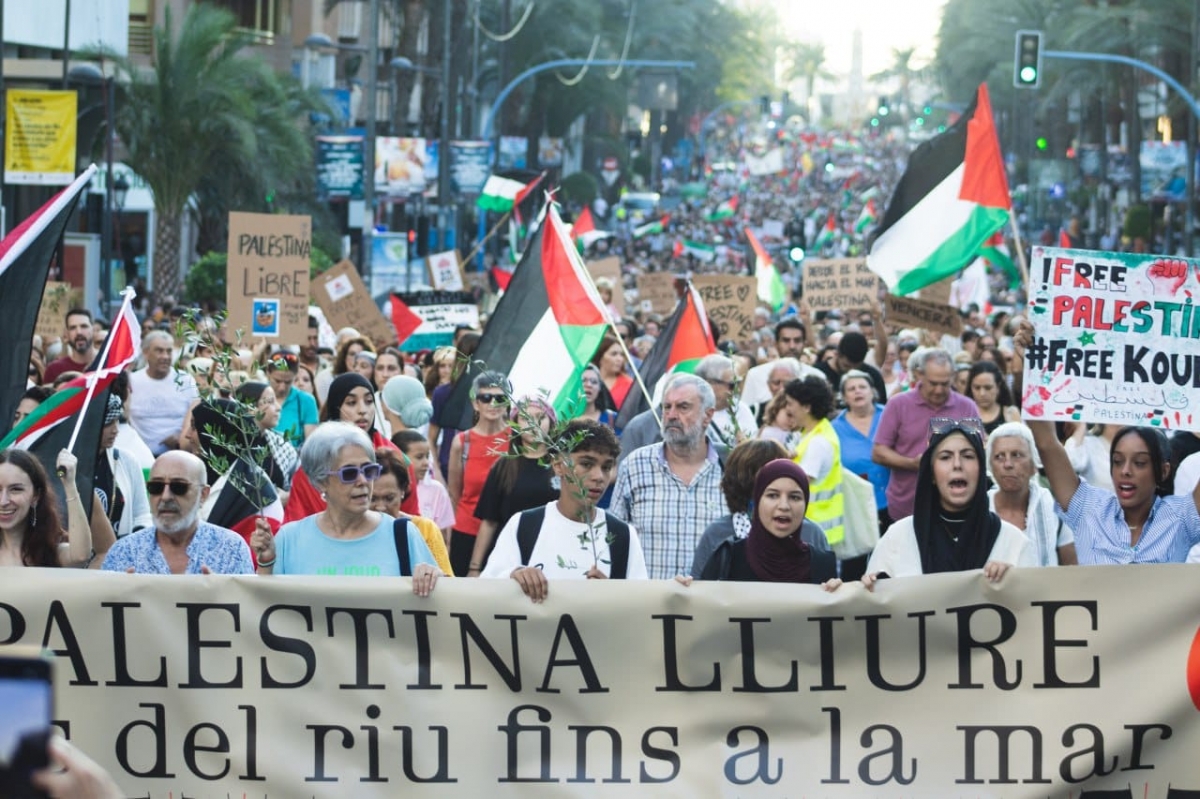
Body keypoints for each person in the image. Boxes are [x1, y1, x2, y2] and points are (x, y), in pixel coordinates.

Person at [251, 423, 440, 594]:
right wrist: (266, 563)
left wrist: (433, 578)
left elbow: (442, 603)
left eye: (369, 470)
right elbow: (265, 607)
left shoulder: (403, 534)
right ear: (321, 481)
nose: (363, 481)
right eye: (349, 473)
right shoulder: (289, 539)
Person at [845, 420, 1035, 588]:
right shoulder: (897, 537)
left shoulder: (1014, 542)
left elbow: (1032, 613)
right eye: (945, 457)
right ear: (932, 475)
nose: (957, 465)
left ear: (981, 470)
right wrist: (870, 589)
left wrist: (1014, 585)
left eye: (968, 456)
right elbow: (875, 613)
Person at [482, 419, 647, 599]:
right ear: (559, 466)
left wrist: (611, 598)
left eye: (606, 467)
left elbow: (640, 606)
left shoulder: (623, 535)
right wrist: (515, 576)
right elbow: (488, 592)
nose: (598, 476)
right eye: (586, 464)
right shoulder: (524, 525)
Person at [610, 373, 726, 580]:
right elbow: (613, 539)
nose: (671, 415)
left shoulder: (731, 468)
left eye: (683, 407)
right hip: (648, 604)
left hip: (713, 606)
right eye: (666, 407)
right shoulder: (635, 465)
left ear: (708, 415)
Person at [285, 372, 420, 522]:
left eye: (369, 401)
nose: (362, 410)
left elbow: (411, 519)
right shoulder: (314, 463)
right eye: (351, 402)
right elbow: (297, 523)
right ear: (336, 408)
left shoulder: (396, 458)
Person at [690, 439, 830, 577]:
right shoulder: (718, 534)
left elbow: (827, 593)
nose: (782, 505)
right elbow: (699, 591)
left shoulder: (811, 533)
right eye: (771, 494)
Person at [101, 451, 254, 574]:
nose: (165, 497)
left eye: (179, 487)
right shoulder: (125, 552)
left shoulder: (230, 549)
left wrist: (221, 598)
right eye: (156, 487)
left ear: (204, 494)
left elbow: (247, 608)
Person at [872, 348, 979, 523]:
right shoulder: (898, 404)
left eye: (944, 384)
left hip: (954, 510)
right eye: (933, 383)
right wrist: (913, 463)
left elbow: (976, 452)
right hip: (906, 507)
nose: (938, 390)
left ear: (953, 376)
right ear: (919, 375)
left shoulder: (967, 407)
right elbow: (878, 452)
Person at [469, 398, 560, 575]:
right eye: (526, 418)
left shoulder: (562, 466)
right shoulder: (503, 466)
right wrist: (475, 567)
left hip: (551, 555)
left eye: (540, 417)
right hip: (509, 558)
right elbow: (489, 521)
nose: (533, 423)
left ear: (551, 423)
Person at [447, 371, 512, 576]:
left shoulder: (517, 440)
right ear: (476, 403)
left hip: (505, 533)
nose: (493, 403)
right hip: (466, 532)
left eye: (500, 398)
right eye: (486, 397)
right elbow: (454, 494)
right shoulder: (462, 442)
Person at [986, 422, 1078, 567]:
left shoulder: (1056, 512)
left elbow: (1072, 571)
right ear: (990, 465)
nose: (1008, 464)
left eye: (1017, 455)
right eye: (999, 457)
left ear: (1034, 465)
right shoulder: (979, 511)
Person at [0, 449, 99, 567]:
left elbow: (80, 555)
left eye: (16, 489)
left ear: (36, 495)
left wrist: (69, 484)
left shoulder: (50, 553)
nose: (3, 501)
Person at [371, 447, 453, 575]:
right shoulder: (349, 533)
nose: (381, 507)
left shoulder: (425, 529)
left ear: (403, 491)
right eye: (373, 499)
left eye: (389, 498)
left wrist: (436, 574)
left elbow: (448, 585)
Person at [785, 376, 844, 551]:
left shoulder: (818, 442)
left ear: (806, 407)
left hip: (815, 531)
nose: (788, 409)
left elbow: (798, 483)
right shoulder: (811, 433)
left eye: (790, 403)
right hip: (811, 527)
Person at [126, 330, 200, 456]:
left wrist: (181, 440)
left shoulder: (185, 381)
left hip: (178, 455)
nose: (165, 356)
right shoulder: (132, 381)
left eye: (169, 351)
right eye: (159, 351)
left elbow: (196, 415)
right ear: (145, 352)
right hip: (140, 457)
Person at [832, 369, 889, 529]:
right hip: (856, 508)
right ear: (844, 398)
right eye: (851, 389)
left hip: (894, 503)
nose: (857, 391)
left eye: (862, 387)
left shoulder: (890, 415)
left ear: (872, 392)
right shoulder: (834, 428)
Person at [95, 394, 152, 538]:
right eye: (108, 423)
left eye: (116, 421)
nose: (115, 430)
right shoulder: (67, 463)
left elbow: (142, 514)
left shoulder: (126, 460)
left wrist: (138, 537)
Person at [233, 381, 299, 495]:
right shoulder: (232, 444)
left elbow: (298, 485)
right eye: (271, 402)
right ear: (250, 408)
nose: (279, 408)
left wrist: (288, 497)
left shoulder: (280, 442)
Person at [393, 429, 455, 535]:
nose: (426, 463)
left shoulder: (437, 490)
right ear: (400, 458)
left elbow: (442, 536)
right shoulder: (390, 489)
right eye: (419, 457)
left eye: (427, 456)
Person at [696, 353, 757, 449]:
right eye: (732, 385)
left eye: (738, 384)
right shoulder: (689, 411)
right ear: (709, 383)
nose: (736, 390)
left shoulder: (741, 409)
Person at [266, 351, 318, 448]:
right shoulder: (256, 395)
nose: (282, 387)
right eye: (277, 381)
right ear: (268, 373)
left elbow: (310, 445)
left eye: (288, 382)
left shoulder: (306, 401)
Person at [965, 360, 1020, 437]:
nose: (982, 393)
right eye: (977, 388)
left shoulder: (1011, 414)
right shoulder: (964, 415)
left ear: (998, 387)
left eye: (988, 388)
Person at [41, 308, 97, 384]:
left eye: (84, 326)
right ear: (66, 334)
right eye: (73, 328)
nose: (79, 332)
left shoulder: (108, 364)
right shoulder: (54, 370)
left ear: (93, 330)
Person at [592, 335, 634, 409]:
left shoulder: (629, 385)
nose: (620, 359)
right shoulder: (586, 379)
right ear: (600, 356)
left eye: (622, 355)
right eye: (614, 354)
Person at [576, 364, 619, 428]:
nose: (588, 385)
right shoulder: (565, 420)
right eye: (583, 380)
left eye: (594, 382)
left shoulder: (612, 418)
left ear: (600, 388)